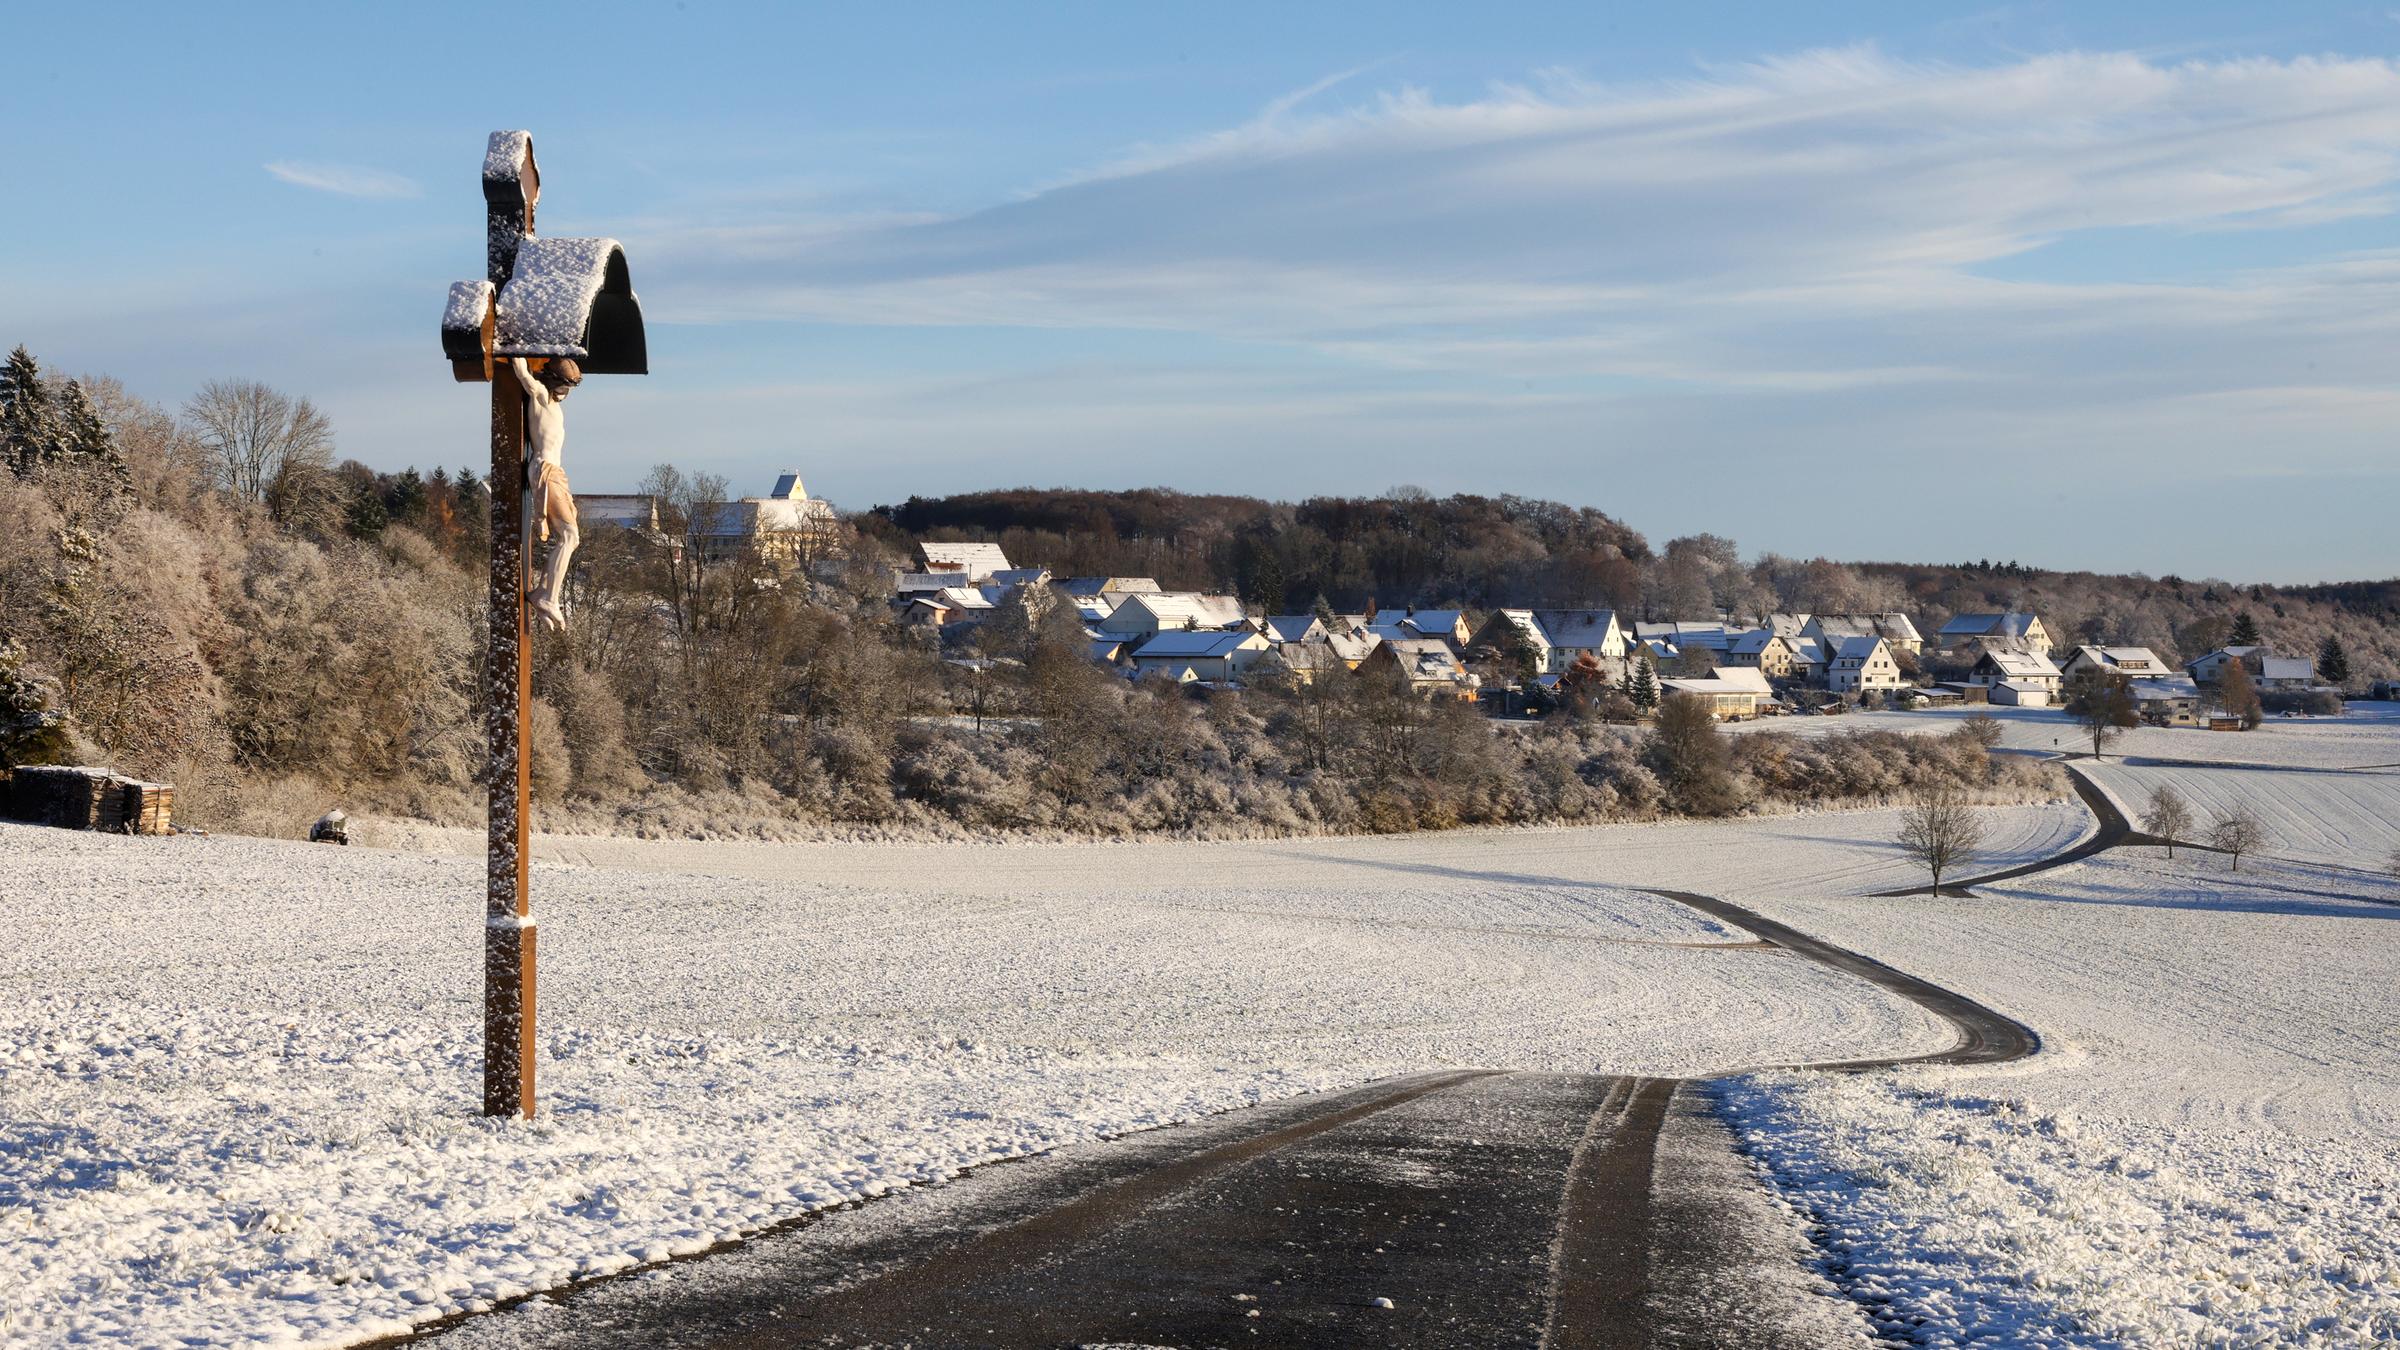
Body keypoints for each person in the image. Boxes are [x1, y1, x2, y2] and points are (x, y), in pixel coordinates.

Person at [511, 357, 581, 630]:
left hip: (555, 471)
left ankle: (545, 593)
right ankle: (549, 598)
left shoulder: (554, 405)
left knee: (572, 538)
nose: (567, 393)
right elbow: (521, 372)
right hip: (544, 470)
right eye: (565, 386)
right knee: (569, 536)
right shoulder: (540, 395)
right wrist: (517, 345)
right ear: (552, 381)